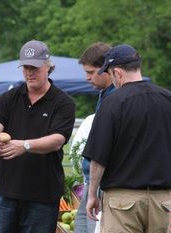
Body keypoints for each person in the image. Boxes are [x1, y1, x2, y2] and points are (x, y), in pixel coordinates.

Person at [84, 44, 171, 232]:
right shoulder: (170, 99)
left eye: (111, 75)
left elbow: (98, 158)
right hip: (161, 201)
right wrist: (170, 181)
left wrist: (92, 195)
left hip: (123, 201)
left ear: (118, 73)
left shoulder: (112, 103)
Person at [0, 39, 76, 233]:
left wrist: (25, 145)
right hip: (7, 193)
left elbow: (57, 140)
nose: (29, 72)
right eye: (25, 67)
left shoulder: (63, 102)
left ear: (48, 67)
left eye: (35, 67)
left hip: (43, 196)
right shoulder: (9, 98)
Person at [73, 42, 114, 233]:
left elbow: (104, 147)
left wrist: (93, 189)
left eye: (90, 71)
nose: (87, 77)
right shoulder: (104, 94)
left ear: (106, 69)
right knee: (82, 227)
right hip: (94, 181)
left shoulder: (116, 98)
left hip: (105, 183)